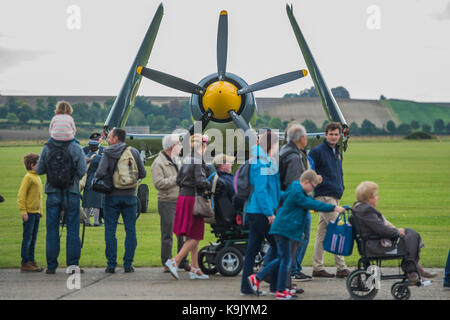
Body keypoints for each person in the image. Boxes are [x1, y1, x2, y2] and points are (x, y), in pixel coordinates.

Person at [248, 170, 346, 299]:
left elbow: (307, 198)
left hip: (284, 229)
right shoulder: (298, 193)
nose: (312, 190)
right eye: (312, 186)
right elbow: (311, 203)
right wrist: (333, 208)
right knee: (285, 259)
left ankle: (262, 280)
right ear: (306, 182)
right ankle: (279, 289)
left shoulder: (296, 188)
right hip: (284, 229)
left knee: (283, 259)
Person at [351, 181, 437, 284]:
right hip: (375, 245)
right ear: (369, 198)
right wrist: (396, 231)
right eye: (376, 195)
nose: (378, 197)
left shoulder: (360, 208)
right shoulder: (367, 211)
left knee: (410, 233)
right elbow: (382, 230)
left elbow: (380, 228)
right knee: (411, 236)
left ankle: (416, 270)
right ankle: (412, 271)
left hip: (373, 241)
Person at [94, 128, 146, 273]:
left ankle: (111, 264)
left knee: (110, 230)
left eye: (109, 137)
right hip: (130, 196)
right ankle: (128, 264)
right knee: (131, 230)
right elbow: (143, 173)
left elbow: (99, 172)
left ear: (116, 138)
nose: (108, 139)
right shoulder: (134, 152)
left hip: (111, 197)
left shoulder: (108, 152)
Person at [36, 133, 86, 274]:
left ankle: (51, 266)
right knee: (73, 231)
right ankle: (72, 266)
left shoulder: (47, 147)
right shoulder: (76, 147)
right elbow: (82, 170)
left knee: (52, 231)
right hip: (72, 193)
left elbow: (39, 169)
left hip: (52, 192)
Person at [240, 130, 282, 296]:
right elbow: (261, 190)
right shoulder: (262, 162)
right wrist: (269, 213)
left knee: (252, 250)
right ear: (272, 144)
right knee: (280, 248)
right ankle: (273, 284)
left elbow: (269, 189)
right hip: (261, 212)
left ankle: (247, 287)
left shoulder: (261, 159)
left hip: (255, 211)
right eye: (278, 143)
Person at [165, 134, 211, 280]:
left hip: (183, 197)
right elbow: (200, 181)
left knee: (192, 235)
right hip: (193, 199)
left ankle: (195, 268)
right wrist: (209, 184)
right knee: (196, 235)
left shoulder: (186, 159)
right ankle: (175, 261)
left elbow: (178, 180)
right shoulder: (198, 159)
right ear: (202, 146)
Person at [309, 122, 351, 278]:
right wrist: (316, 180)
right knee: (338, 230)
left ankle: (317, 267)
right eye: (331, 134)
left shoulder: (337, 151)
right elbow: (309, 169)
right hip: (324, 196)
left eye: (336, 134)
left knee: (322, 233)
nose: (333, 137)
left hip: (334, 195)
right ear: (325, 134)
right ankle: (341, 268)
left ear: (339, 136)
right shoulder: (317, 151)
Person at [279, 123, 315, 284]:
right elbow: (293, 183)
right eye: (305, 136)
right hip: (296, 205)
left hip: (288, 203)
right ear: (300, 138)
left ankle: (290, 269)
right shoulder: (293, 156)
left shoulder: (286, 151)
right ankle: (293, 270)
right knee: (301, 236)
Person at [151, 134, 190, 273]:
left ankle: (182, 261)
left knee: (183, 233)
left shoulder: (177, 160)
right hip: (167, 202)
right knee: (167, 234)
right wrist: (177, 178)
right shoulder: (158, 163)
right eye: (179, 143)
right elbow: (158, 183)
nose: (180, 145)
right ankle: (167, 262)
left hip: (181, 199)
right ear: (172, 146)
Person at [17, 153, 44, 272]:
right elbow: (21, 196)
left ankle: (32, 261)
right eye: (38, 163)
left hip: (36, 212)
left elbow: (39, 196)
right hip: (29, 213)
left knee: (33, 238)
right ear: (32, 165)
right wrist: (23, 211)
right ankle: (25, 262)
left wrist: (40, 210)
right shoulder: (28, 177)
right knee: (27, 238)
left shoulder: (37, 177)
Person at [81, 140, 104, 227]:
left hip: (86, 181)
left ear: (89, 148)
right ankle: (96, 222)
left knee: (87, 203)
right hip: (96, 181)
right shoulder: (99, 158)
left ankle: (86, 221)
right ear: (98, 148)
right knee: (96, 204)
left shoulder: (85, 157)